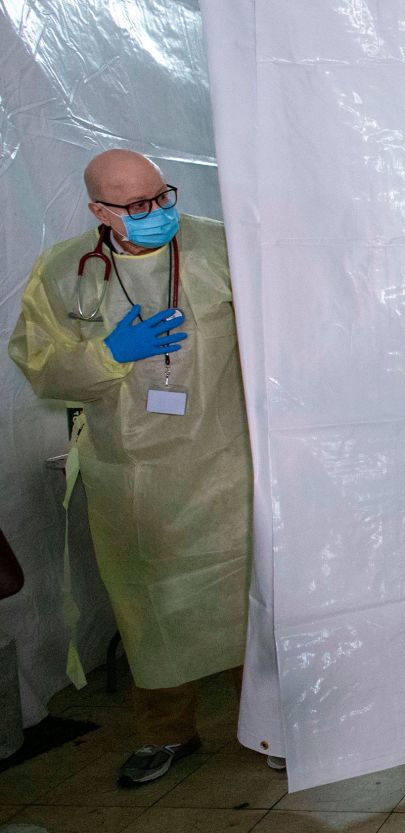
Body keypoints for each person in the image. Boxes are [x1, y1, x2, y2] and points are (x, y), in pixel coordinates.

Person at [8, 149, 259, 786]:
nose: (157, 213)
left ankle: (267, 725)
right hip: (131, 475)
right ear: (99, 210)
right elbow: (41, 365)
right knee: (149, 614)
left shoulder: (222, 249)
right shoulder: (67, 271)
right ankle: (166, 735)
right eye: (136, 206)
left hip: (226, 461)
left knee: (247, 605)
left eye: (162, 196)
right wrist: (106, 353)